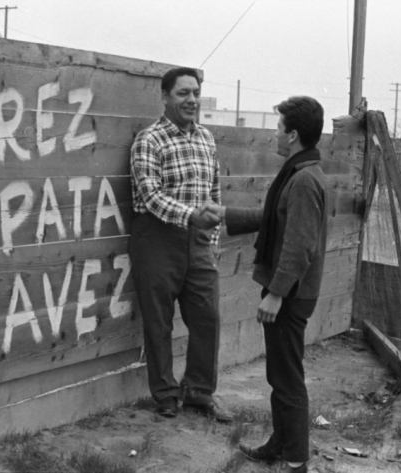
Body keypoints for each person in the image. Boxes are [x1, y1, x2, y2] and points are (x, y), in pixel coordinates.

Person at [203, 96, 328, 472]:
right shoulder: (300, 171)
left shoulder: (304, 180)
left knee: (287, 378)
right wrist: (225, 213)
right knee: (280, 373)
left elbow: (299, 245)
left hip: (290, 294)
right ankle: (282, 443)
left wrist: (275, 294)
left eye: (277, 128)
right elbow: (275, 218)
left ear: (292, 135)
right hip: (290, 291)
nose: (274, 134)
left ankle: (295, 462)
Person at [128, 67, 232, 423]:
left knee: (208, 318)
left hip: (199, 242)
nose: (191, 100)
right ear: (165, 97)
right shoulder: (150, 140)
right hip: (157, 240)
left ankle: (199, 392)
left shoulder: (206, 138)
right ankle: (166, 394)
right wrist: (192, 217)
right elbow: (150, 196)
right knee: (159, 322)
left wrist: (212, 239)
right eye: (183, 94)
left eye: (195, 93)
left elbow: (214, 194)